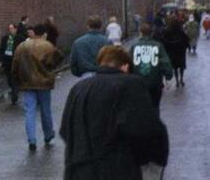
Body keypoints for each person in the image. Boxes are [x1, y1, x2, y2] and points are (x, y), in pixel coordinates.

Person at [60, 45, 169, 180]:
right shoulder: (130, 84)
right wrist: (153, 159)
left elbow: (65, 130)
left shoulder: (77, 89)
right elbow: (146, 130)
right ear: (125, 67)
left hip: (78, 171)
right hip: (116, 169)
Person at [12, 24, 63, 151]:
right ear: (44, 33)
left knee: (29, 111)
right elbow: (58, 59)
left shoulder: (22, 46)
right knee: (45, 110)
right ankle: (48, 135)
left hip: (27, 83)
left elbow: (15, 64)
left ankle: (32, 139)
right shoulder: (48, 46)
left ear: (33, 32)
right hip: (44, 83)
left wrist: (16, 79)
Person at [130, 23, 173, 112]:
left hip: (138, 83)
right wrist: (168, 76)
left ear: (140, 33)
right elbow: (165, 62)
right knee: (155, 106)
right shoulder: (158, 46)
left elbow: (129, 62)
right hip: (155, 82)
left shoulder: (134, 47)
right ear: (151, 33)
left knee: (139, 107)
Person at [0, 22, 23, 104]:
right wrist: (1, 60)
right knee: (9, 78)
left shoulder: (20, 38)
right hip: (7, 61)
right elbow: (1, 50)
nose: (10, 30)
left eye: (12, 28)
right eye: (9, 28)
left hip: (15, 61)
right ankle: (14, 89)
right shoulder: (5, 38)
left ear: (16, 29)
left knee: (14, 78)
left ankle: (14, 94)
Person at [161, 18, 190, 87]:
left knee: (175, 68)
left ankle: (177, 80)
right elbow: (187, 40)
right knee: (181, 67)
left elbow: (163, 41)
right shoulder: (181, 32)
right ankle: (181, 79)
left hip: (172, 53)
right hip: (181, 53)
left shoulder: (167, 32)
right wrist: (186, 47)